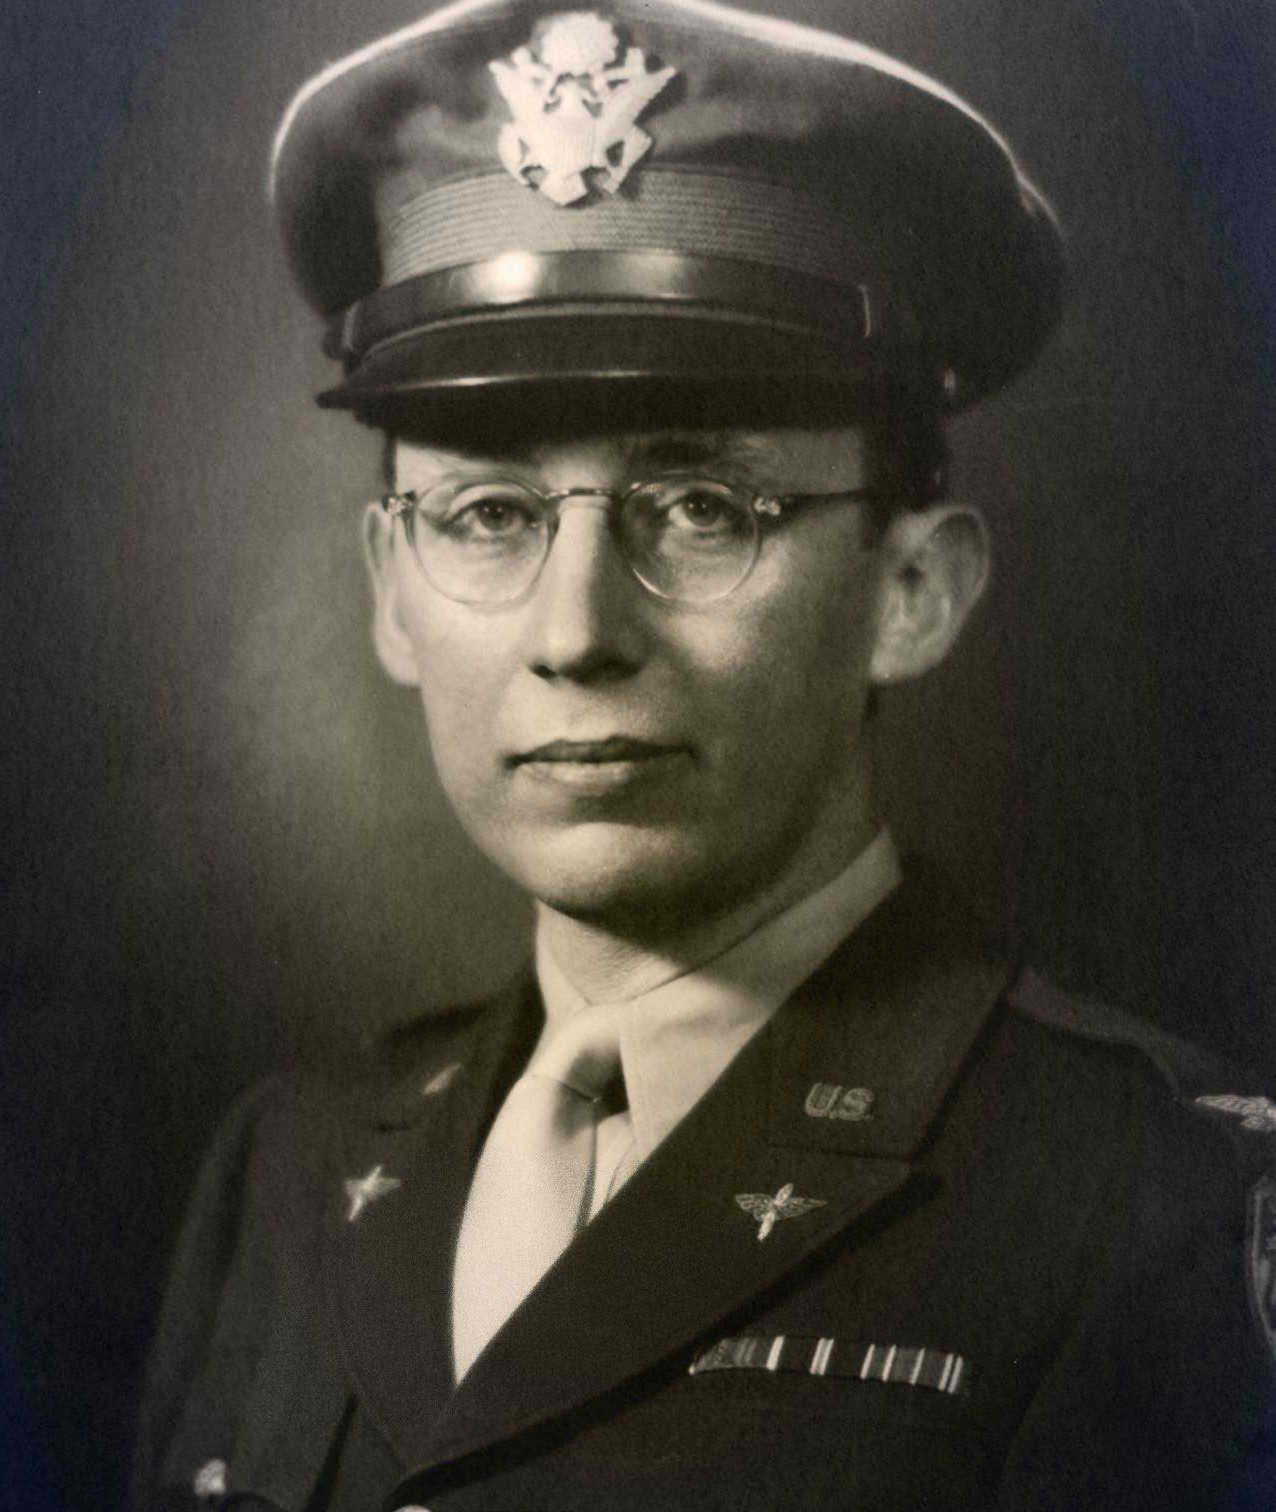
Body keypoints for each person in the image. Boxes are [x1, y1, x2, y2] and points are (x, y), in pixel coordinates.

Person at [127, 2, 1276, 1508]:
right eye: (488, 515)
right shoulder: (283, 1172)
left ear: (910, 591)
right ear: (391, 595)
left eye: (700, 508)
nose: (576, 633)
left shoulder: (1160, 1212)